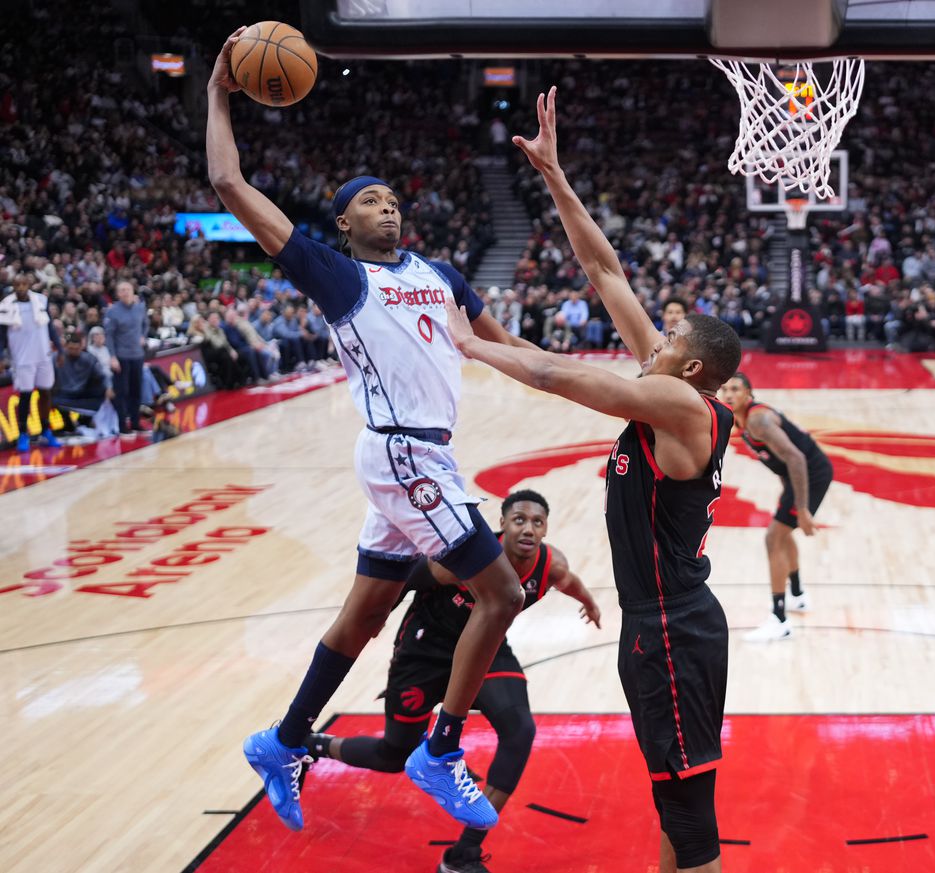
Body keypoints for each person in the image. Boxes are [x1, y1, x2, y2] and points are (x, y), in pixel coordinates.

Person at [207, 26, 535, 833]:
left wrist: (606, 377)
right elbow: (227, 180)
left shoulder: (441, 274)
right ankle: (441, 747)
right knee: (500, 590)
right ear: (345, 224)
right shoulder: (337, 273)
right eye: (369, 200)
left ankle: (282, 740)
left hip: (423, 456)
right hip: (398, 450)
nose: (387, 206)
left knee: (363, 617)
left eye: (393, 197)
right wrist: (218, 90)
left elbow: (510, 348)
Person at [445, 87, 740, 873]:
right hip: (668, 622)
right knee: (673, 803)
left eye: (669, 333)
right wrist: (554, 175)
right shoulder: (673, 386)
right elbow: (605, 271)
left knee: (690, 816)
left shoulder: (678, 403)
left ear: (693, 367)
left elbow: (551, 370)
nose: (656, 330)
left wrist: (469, 345)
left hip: (673, 628)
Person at [306, 489, 601, 873]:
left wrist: (589, 602)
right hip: (426, 652)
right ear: (502, 525)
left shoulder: (551, 565)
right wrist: (378, 614)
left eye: (537, 522)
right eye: (519, 520)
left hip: (486, 651)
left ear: (546, 530)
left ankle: (463, 854)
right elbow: (410, 577)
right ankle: (314, 744)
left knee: (520, 731)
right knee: (394, 755)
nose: (528, 528)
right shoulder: (468, 562)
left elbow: (570, 583)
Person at [717, 373, 833, 641]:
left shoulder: (758, 420)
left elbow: (796, 458)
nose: (729, 394)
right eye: (725, 389)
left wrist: (802, 508)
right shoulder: (740, 421)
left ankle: (780, 620)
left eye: (735, 389)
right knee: (781, 533)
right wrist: (787, 491)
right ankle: (798, 596)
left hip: (810, 473)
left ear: (749, 393)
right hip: (797, 478)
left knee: (773, 538)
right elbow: (782, 461)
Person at [0, 271, 61, 451]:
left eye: (24, 284)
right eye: (17, 285)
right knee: (25, 396)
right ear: (13, 285)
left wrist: (60, 348)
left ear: (29, 284)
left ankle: (45, 431)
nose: (21, 288)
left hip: (43, 354)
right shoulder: (5, 304)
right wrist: (1, 357)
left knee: (46, 393)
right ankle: (23, 434)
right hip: (22, 358)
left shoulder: (41, 300)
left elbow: (49, 326)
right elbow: (2, 336)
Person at [104, 280, 149, 433]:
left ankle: (136, 423)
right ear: (118, 294)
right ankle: (122, 425)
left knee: (136, 391)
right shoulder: (112, 311)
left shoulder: (140, 308)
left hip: (137, 355)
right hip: (121, 357)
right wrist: (112, 357)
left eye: (128, 289)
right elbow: (109, 336)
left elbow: (146, 324)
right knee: (122, 392)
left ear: (132, 291)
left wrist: (143, 336)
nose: (125, 292)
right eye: (122, 290)